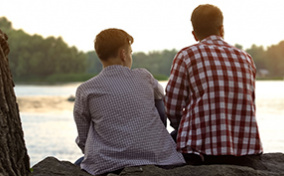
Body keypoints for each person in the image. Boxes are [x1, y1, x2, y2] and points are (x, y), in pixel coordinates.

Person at [74, 28, 185, 175]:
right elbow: (161, 98)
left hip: (107, 162)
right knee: (156, 98)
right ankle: (157, 138)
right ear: (123, 54)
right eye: (130, 52)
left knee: (79, 163)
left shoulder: (85, 89)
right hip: (157, 156)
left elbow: (83, 138)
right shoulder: (144, 76)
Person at [164, 4, 263, 167]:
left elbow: (172, 106)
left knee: (169, 138)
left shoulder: (187, 55)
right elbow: (250, 102)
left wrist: (180, 127)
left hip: (200, 149)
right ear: (221, 29)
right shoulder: (246, 58)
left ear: (194, 35)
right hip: (244, 148)